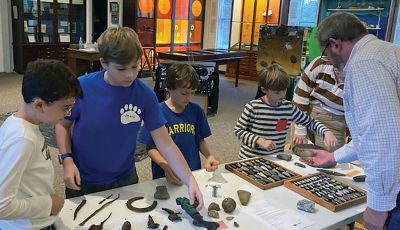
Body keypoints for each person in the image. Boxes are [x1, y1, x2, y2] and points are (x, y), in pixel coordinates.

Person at [55, 26, 203, 208]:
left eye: (135, 66)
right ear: (104, 63)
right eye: (122, 68)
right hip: (83, 177)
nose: (130, 74)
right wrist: (67, 160)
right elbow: (62, 125)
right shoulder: (81, 87)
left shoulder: (145, 95)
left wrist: (190, 179)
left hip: (124, 178)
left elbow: (165, 143)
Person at [302, 12, 400, 229]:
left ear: (335, 44)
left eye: (326, 54)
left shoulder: (364, 64)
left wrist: (377, 206)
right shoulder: (387, 51)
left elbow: (383, 138)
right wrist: (335, 156)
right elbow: (374, 131)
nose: (327, 61)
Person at [0, 59, 82, 229]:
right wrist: (48, 204)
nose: (68, 114)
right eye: (65, 108)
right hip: (28, 225)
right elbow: (2, 205)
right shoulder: (22, 139)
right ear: (39, 104)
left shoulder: (25, 125)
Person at [234, 64, 337, 159]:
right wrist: (258, 140)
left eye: (284, 90)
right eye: (277, 92)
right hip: (249, 158)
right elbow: (238, 130)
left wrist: (326, 132)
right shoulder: (253, 107)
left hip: (274, 159)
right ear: (264, 90)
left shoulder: (288, 108)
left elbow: (310, 122)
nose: (282, 95)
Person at [139, 63, 219, 183]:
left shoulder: (197, 111)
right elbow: (150, 148)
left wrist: (209, 156)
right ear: (169, 88)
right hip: (165, 174)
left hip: (191, 172)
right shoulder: (157, 112)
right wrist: (165, 166)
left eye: (192, 92)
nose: (189, 97)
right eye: (184, 93)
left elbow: (200, 140)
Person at [292, 56, 348, 151]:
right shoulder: (321, 62)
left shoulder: (359, 77)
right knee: (297, 156)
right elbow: (300, 95)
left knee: (328, 160)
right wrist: (300, 128)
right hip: (306, 114)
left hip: (335, 121)